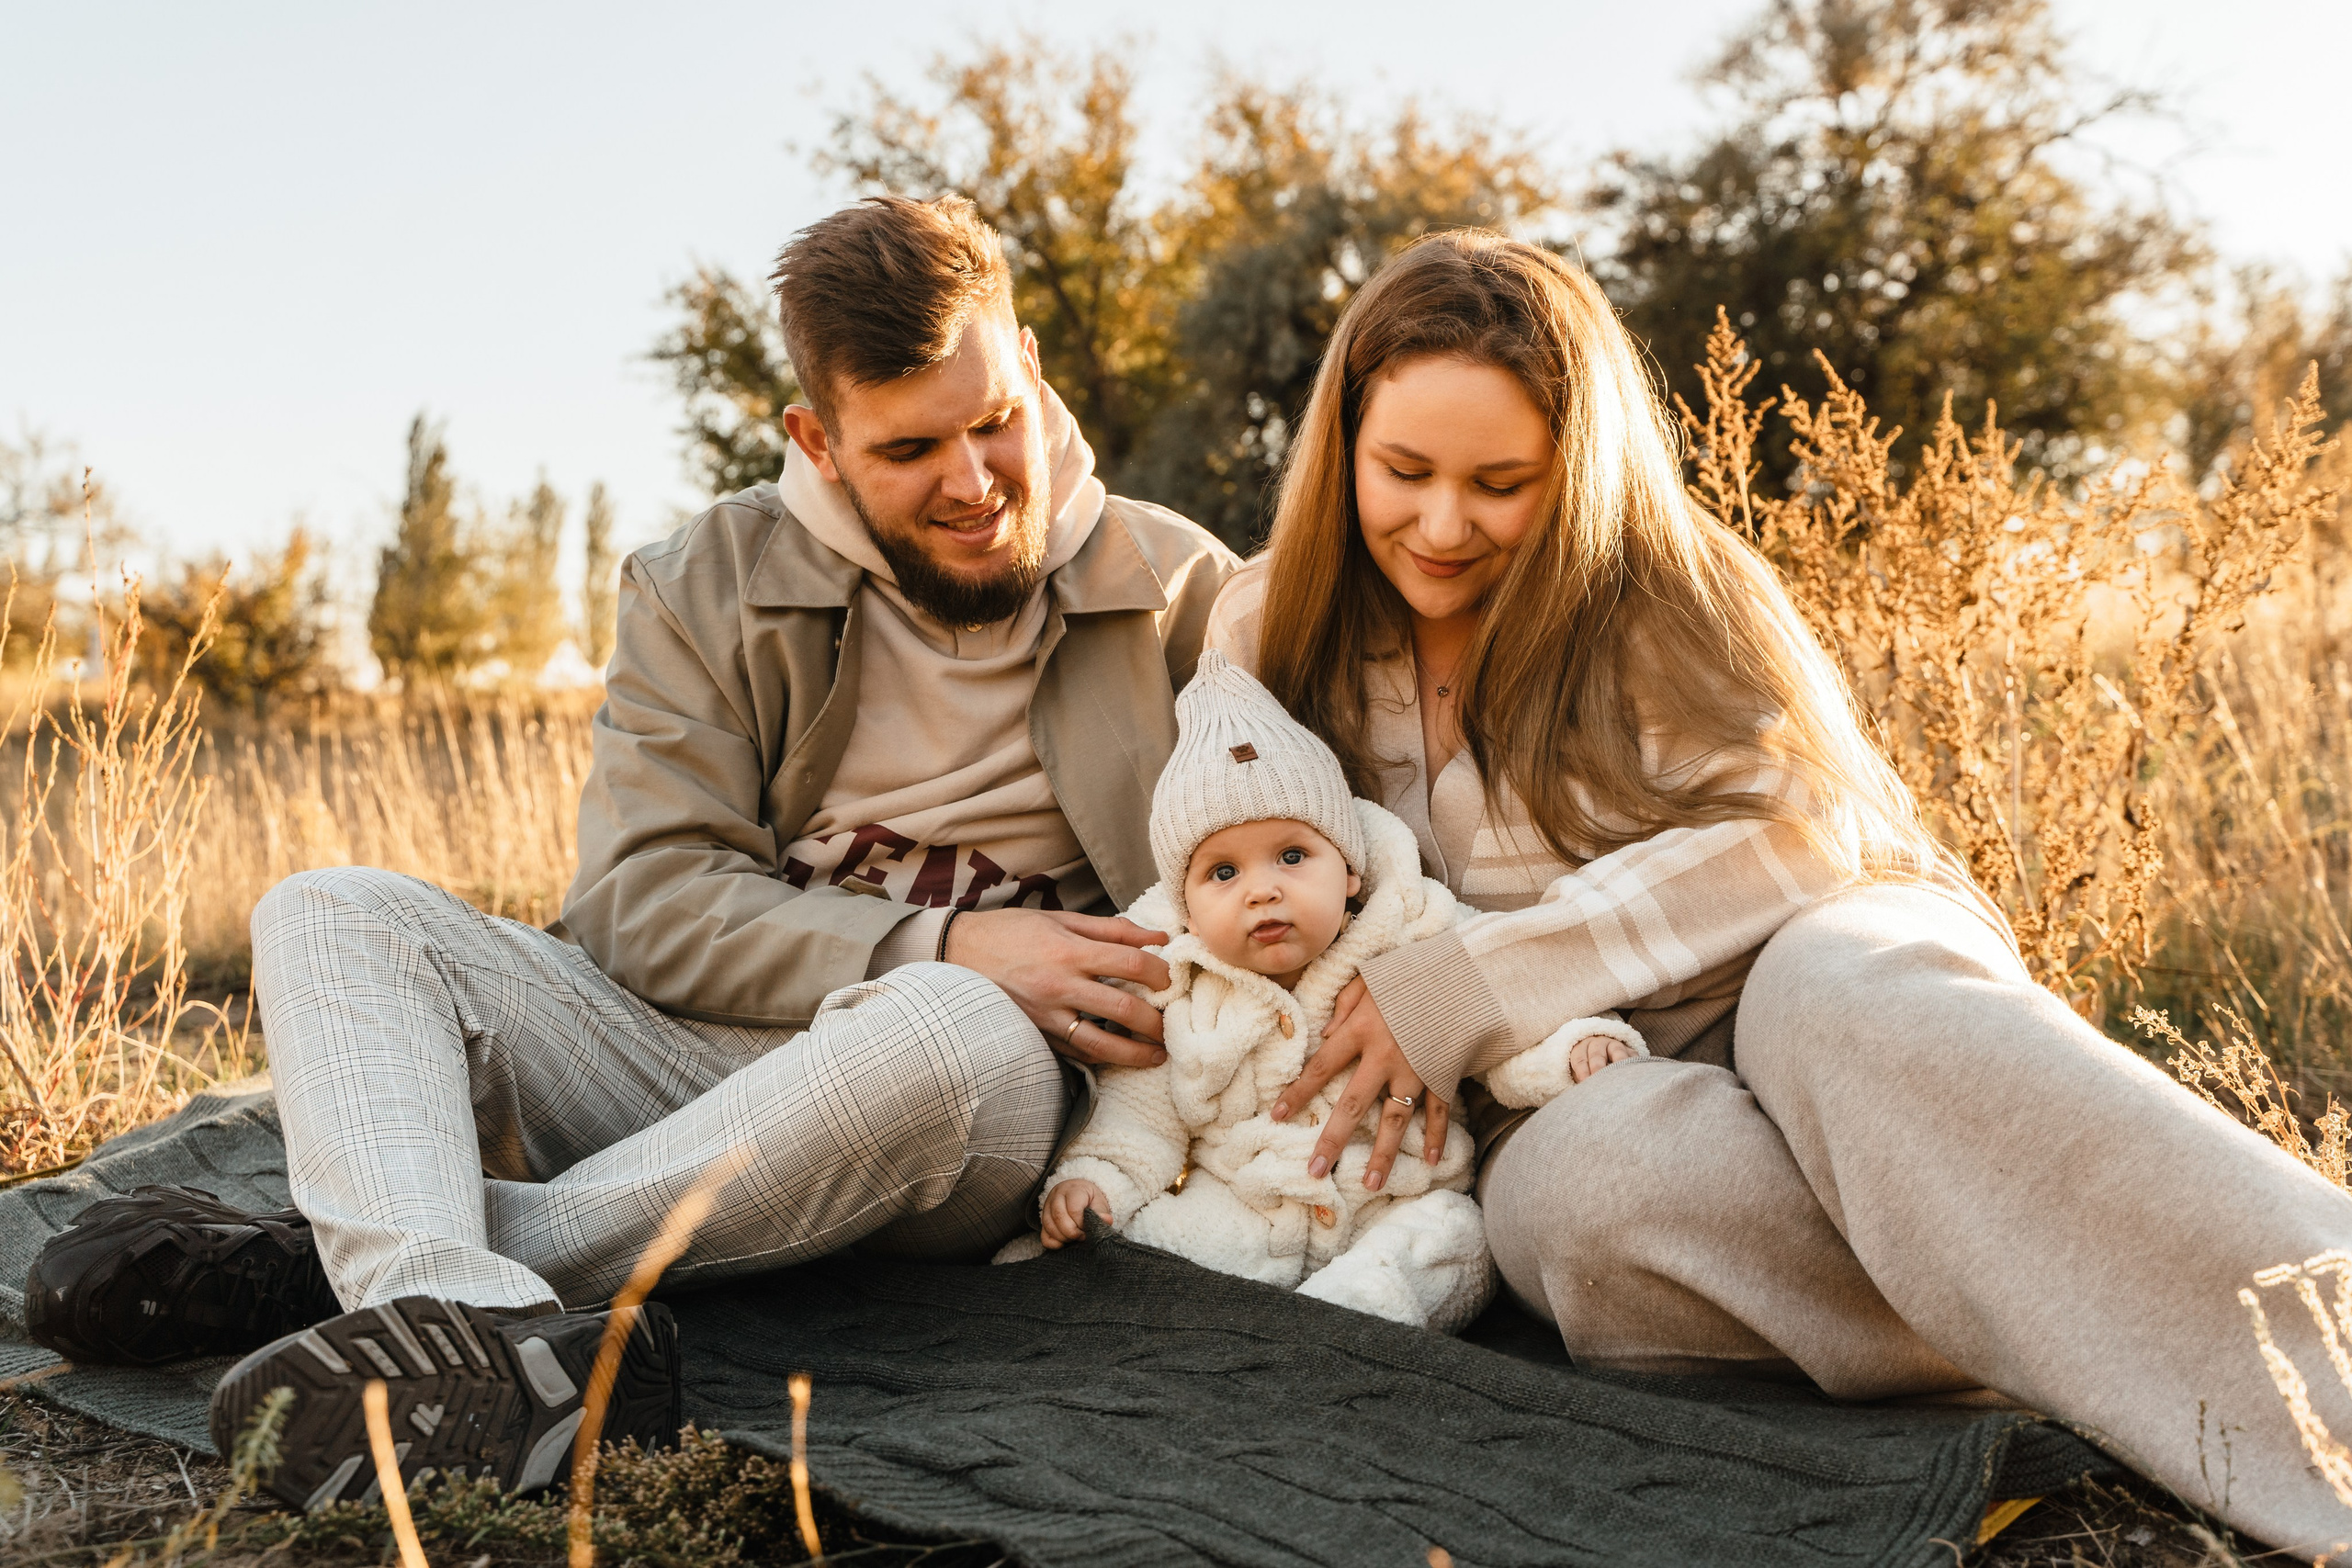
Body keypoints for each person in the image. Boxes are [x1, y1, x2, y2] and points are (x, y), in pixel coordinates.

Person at [55, 194, 1238, 1510]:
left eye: (995, 420)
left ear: (1030, 369)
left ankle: (359, 1264)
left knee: (950, 1020)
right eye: (911, 447)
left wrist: (973, 972)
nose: (972, 481)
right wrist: (945, 930)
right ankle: (457, 1317)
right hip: (694, 1048)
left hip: (979, 1092)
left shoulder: (1184, 588)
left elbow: (1289, 842)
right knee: (331, 908)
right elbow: (642, 900)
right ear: (819, 440)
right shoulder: (703, 579)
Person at [1204, 229, 2352, 1559]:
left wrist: (1478, 979)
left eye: (1501, 482)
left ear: (1574, 471)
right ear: (1340, 445)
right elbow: (1212, 863)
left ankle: (2322, 1354)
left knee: (1855, 1002)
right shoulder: (1264, 628)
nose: (1445, 523)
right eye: (1402, 471)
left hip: (1798, 952)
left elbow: (1813, 829)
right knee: (1585, 1201)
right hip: (1575, 1077)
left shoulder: (1664, 588)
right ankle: (2071, 1322)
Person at [1013, 650, 1643, 1331]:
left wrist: (1573, 1049)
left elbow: (1498, 1017)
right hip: (1242, 1213)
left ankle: (1347, 1323)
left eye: (1292, 855)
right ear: (1186, 910)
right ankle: (1164, 1323)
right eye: (1223, 871)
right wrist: (1094, 1185)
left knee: (1454, 1239)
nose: (1263, 888)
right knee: (1143, 1245)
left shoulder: (1412, 931)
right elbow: (1140, 1121)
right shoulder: (1183, 988)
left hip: (1391, 1203)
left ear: (1348, 869)